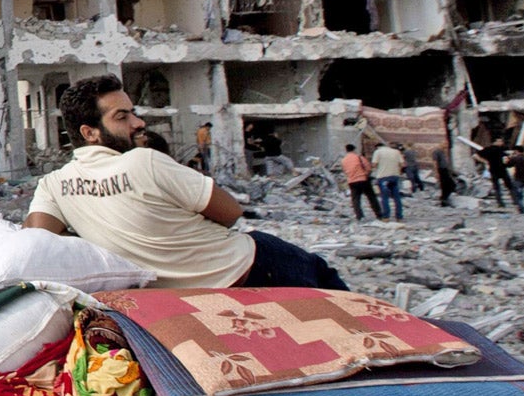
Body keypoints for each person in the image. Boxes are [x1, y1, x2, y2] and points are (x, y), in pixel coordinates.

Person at [25, 76, 347, 289]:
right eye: (122, 117)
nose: (138, 123)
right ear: (89, 132)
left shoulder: (54, 185)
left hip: (176, 291)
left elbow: (36, 245)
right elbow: (230, 212)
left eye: (133, 113)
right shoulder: (144, 160)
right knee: (326, 281)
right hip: (244, 267)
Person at [476, 132, 518, 212]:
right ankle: (515, 201)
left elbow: (476, 155)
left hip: (494, 169)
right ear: (496, 141)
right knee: (509, 186)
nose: (501, 142)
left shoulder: (489, 149)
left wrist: (485, 161)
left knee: (497, 187)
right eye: (500, 141)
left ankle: (500, 203)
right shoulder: (496, 149)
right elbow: (506, 158)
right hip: (501, 169)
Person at [340, 144, 382, 221]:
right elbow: (368, 167)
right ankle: (379, 214)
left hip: (352, 181)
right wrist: (366, 173)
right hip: (363, 179)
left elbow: (345, 171)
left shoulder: (344, 160)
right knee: (371, 197)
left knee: (355, 199)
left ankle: (359, 216)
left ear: (346, 150)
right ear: (354, 149)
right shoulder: (359, 157)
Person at [370, 141, 406, 222]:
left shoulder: (378, 152)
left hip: (383, 177)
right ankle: (399, 217)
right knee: (397, 197)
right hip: (394, 176)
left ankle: (386, 217)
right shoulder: (396, 152)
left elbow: (374, 165)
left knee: (385, 197)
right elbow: (403, 164)